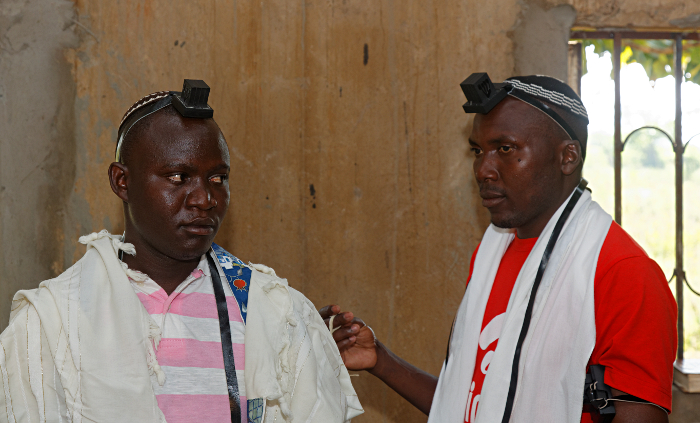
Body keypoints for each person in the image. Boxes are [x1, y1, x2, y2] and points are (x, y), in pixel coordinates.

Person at [0, 80, 362, 423]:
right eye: (178, 177)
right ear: (121, 182)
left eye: (217, 178)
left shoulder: (274, 313)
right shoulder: (52, 323)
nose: (205, 198)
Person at [321, 74, 676, 423]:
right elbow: (473, 404)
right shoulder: (494, 252)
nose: (483, 170)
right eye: (478, 151)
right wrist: (380, 360)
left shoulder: (623, 272)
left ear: (567, 157)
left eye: (505, 149)